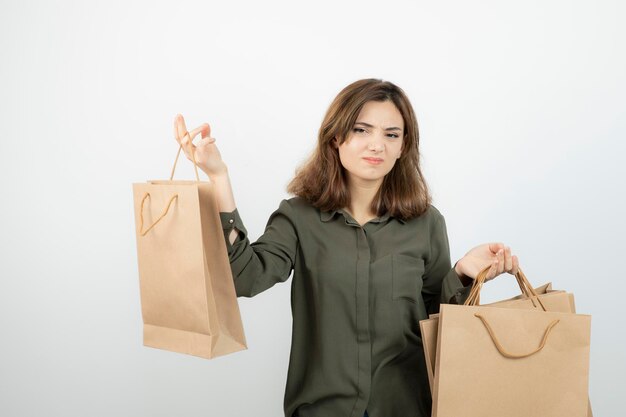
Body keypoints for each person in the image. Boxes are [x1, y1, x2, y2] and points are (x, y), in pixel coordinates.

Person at [173, 78, 519, 417]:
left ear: (403, 146)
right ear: (336, 138)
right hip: (323, 407)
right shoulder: (298, 217)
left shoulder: (426, 223)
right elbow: (243, 278)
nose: (376, 145)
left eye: (391, 135)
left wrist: (461, 272)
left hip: (405, 406)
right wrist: (218, 177)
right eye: (361, 130)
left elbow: (436, 322)